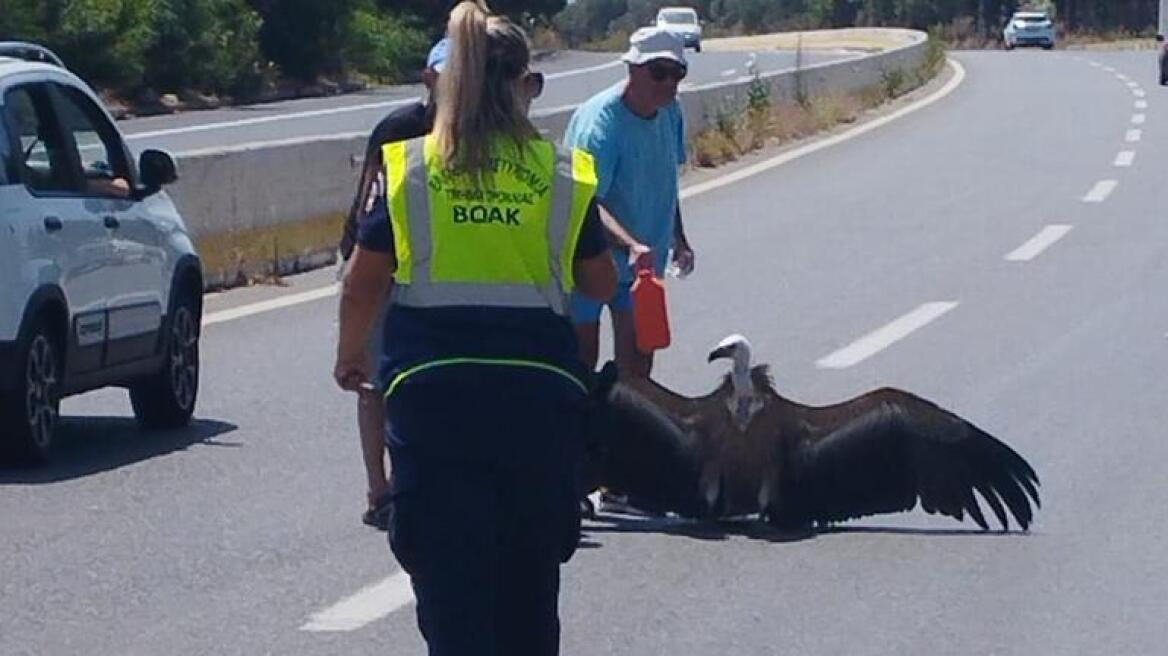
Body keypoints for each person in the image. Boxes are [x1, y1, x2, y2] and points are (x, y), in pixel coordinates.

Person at [333, 2, 616, 654]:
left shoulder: (411, 167)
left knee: (453, 601)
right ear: (525, 84)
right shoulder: (561, 173)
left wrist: (352, 356)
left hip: (435, 407)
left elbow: (361, 280)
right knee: (528, 596)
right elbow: (601, 284)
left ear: (449, 80)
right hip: (538, 409)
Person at [338, 38, 447, 530]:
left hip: (437, 272)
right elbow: (370, 202)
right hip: (383, 261)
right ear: (429, 78)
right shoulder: (401, 129)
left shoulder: (479, 131)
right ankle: (377, 488)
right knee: (374, 382)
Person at [563, 26, 696, 380]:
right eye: (659, 72)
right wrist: (631, 243)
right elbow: (587, 202)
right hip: (588, 259)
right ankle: (581, 433)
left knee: (638, 365)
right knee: (581, 361)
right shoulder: (602, 126)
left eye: (677, 73)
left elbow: (667, 180)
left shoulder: (671, 112)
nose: (669, 83)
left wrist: (678, 237)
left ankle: (626, 433)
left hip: (642, 269)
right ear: (634, 69)